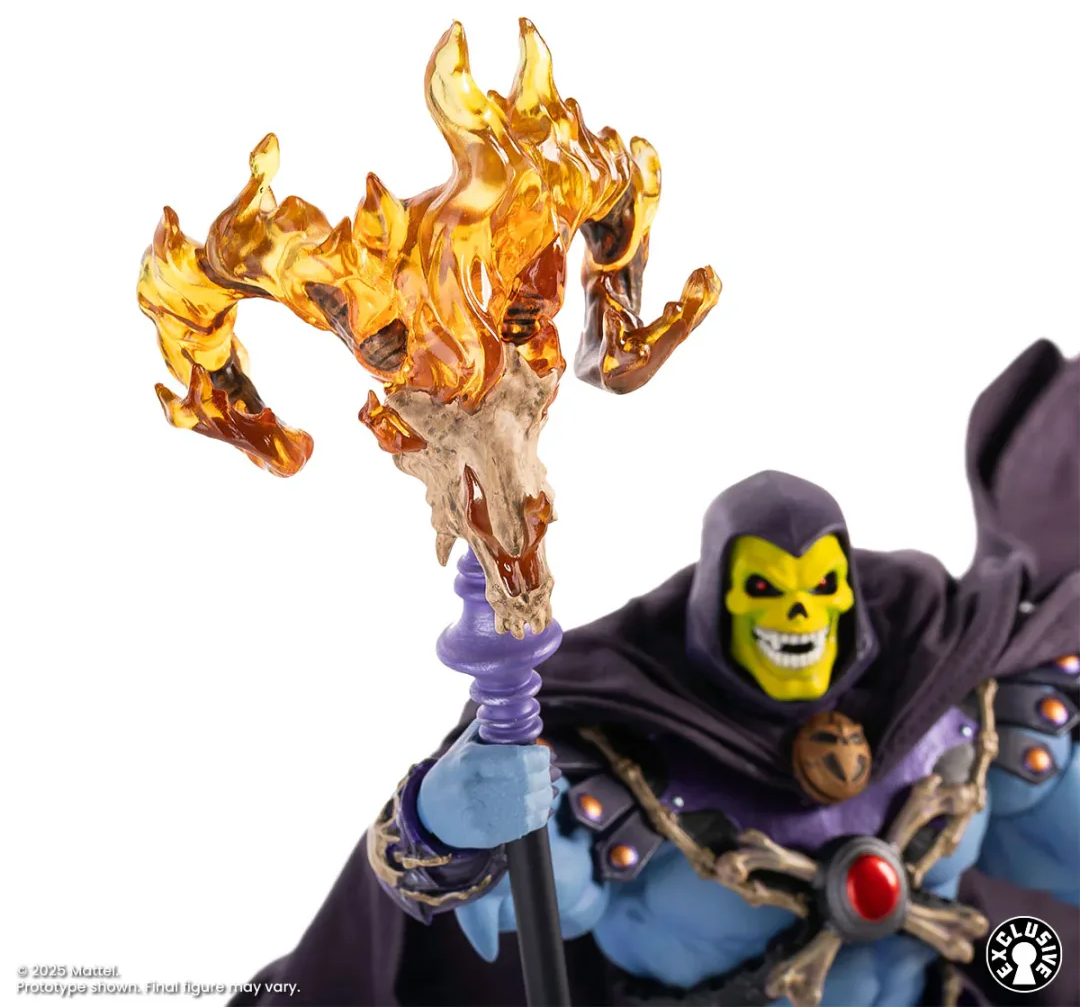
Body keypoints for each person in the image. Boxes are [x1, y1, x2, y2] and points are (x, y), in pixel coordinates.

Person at [234, 340, 1079, 1006]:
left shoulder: (947, 715)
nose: (799, 615)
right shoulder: (632, 775)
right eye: (765, 590)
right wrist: (439, 827)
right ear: (720, 602)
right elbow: (522, 895)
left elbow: (1058, 847)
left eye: (820, 588)